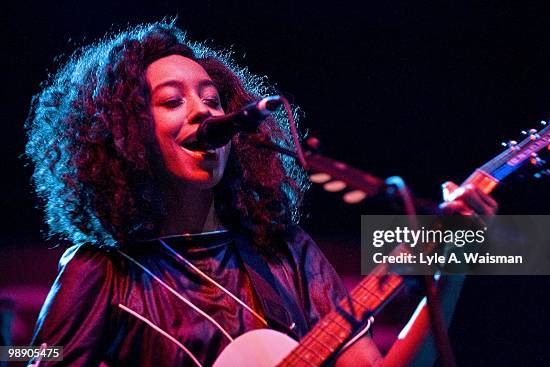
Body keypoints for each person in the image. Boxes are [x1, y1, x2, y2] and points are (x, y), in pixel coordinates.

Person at [25, 20, 497, 366]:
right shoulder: (101, 270)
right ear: (121, 132)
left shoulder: (285, 253)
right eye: (172, 101)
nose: (202, 114)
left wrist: (450, 271)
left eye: (213, 100)